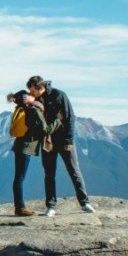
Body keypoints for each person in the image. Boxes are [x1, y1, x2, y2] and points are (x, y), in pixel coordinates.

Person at [26, 75, 95, 217]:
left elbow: (70, 117)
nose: (30, 93)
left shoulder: (59, 95)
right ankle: (51, 206)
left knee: (74, 170)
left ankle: (84, 202)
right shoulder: (35, 100)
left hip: (64, 140)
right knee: (49, 173)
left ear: (39, 87)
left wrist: (69, 140)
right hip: (48, 141)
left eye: (32, 91)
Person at [6, 90, 61, 217]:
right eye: (30, 95)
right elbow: (45, 130)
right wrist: (58, 121)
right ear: (27, 98)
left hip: (19, 145)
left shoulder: (21, 109)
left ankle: (19, 207)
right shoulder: (33, 110)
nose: (33, 95)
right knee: (20, 177)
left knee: (18, 177)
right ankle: (20, 208)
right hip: (26, 147)